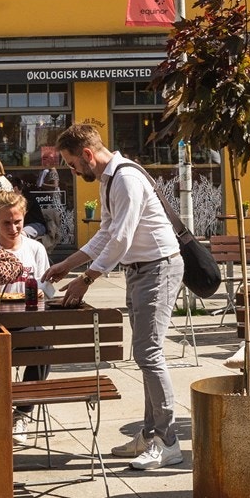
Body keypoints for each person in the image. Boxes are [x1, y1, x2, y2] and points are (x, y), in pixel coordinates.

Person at [42, 123, 184, 471]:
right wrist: (68, 264)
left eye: (73, 164)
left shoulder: (125, 179)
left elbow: (121, 237)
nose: (72, 171)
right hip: (141, 270)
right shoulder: (110, 180)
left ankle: (168, 442)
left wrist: (86, 279)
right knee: (145, 353)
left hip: (159, 267)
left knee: (148, 354)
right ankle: (151, 434)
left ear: (87, 155)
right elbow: (106, 234)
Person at [0, 189, 55, 445]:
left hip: (25, 323)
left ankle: (22, 413)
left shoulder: (35, 249)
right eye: (7, 222)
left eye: (18, 221)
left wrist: (40, 292)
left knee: (44, 343)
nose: (14, 228)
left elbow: (48, 288)